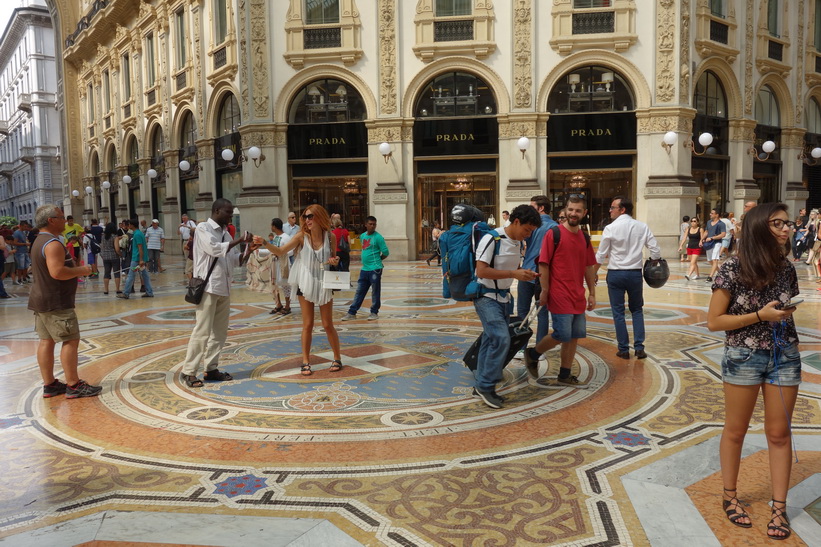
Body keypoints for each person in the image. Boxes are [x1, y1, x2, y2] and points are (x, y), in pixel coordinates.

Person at [706, 202, 801, 541]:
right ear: (760, 227)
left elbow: (785, 307)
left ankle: (779, 506)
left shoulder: (786, 268)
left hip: (784, 354)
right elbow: (715, 321)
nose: (786, 229)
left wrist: (784, 313)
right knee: (736, 430)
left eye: (787, 223)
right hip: (744, 356)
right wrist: (761, 316)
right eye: (778, 223)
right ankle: (729, 496)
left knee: (779, 434)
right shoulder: (732, 268)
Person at [255, 204, 342, 376]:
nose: (307, 220)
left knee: (327, 324)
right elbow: (280, 251)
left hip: (324, 281)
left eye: (311, 216)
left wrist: (335, 260)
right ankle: (305, 361)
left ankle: (337, 358)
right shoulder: (301, 236)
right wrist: (264, 242)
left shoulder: (330, 237)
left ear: (320, 217)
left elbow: (334, 258)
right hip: (304, 281)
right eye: (305, 217)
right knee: (307, 324)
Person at [523, 195, 598, 387]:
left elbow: (589, 266)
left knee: (574, 335)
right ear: (565, 211)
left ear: (584, 213)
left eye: (578, 210)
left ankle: (564, 374)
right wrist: (545, 290)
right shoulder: (554, 234)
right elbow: (543, 264)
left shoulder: (584, 238)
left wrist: (592, 293)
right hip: (559, 293)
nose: (573, 213)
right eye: (571, 210)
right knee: (562, 334)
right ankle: (532, 354)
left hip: (577, 295)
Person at [471, 204, 540, 408]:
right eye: (526, 230)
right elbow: (481, 271)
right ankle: (485, 386)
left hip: (504, 299)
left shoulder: (517, 243)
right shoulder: (492, 238)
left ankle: (480, 383)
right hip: (485, 296)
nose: (527, 235)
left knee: (488, 339)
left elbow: (512, 268)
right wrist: (513, 274)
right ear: (516, 221)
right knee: (501, 338)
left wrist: (524, 273)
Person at [180, 199, 255, 387]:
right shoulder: (203, 229)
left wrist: (248, 250)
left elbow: (235, 260)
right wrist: (240, 239)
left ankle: (211, 368)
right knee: (202, 331)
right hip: (207, 287)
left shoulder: (225, 234)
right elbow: (214, 249)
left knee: (220, 333)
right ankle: (189, 371)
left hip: (224, 287)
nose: (230, 216)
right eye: (228, 213)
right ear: (217, 210)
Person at [28, 205, 101, 399]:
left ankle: (50, 384)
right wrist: (83, 270)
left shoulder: (38, 241)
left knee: (47, 340)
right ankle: (74, 385)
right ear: (51, 220)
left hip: (41, 299)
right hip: (56, 301)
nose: (64, 220)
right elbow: (57, 272)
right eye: (61, 217)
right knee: (70, 340)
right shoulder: (52, 243)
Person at [595, 196, 660, 360]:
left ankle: (623, 349)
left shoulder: (610, 228)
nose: (610, 210)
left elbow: (601, 255)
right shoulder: (641, 226)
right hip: (634, 273)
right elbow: (655, 250)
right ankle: (639, 348)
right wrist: (654, 261)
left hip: (616, 273)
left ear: (622, 209)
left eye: (612, 207)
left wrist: (593, 272)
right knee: (637, 310)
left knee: (618, 312)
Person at [515, 195, 556, 368]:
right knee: (542, 312)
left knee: (522, 311)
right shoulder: (556, 227)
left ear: (541, 208)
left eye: (533, 207)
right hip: (544, 274)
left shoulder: (532, 225)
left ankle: (520, 347)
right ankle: (540, 350)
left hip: (527, 270)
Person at [342, 216, 390, 321]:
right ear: (366, 224)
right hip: (365, 269)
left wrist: (379, 259)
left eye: (374, 224)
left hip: (375, 268)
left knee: (375, 291)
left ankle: (374, 312)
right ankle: (352, 312)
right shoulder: (363, 236)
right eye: (370, 224)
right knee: (360, 290)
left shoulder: (378, 237)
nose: (372, 226)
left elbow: (386, 252)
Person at [117, 219, 154, 299]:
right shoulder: (139, 233)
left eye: (129, 224)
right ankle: (149, 292)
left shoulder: (137, 235)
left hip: (137, 259)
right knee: (145, 275)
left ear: (132, 225)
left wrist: (140, 259)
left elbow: (140, 247)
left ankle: (126, 293)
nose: (128, 226)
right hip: (140, 258)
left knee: (131, 275)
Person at [269, 217, 292, 315]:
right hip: (275, 263)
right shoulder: (275, 238)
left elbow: (291, 250)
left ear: (274, 226)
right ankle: (278, 304)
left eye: (271, 225)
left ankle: (287, 306)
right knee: (275, 285)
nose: (270, 227)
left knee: (285, 285)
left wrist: (281, 254)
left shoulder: (286, 237)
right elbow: (273, 250)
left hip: (283, 264)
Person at [703, 209, 726, 282]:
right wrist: (702, 239)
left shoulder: (721, 224)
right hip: (709, 243)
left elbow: (723, 234)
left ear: (717, 215)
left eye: (712, 213)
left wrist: (712, 237)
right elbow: (706, 231)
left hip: (717, 243)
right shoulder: (709, 222)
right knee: (710, 260)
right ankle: (721, 273)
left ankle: (710, 277)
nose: (710, 214)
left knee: (715, 259)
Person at [100, 222, 121, 295]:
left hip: (105, 257)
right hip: (114, 256)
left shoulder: (103, 236)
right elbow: (117, 248)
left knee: (106, 273)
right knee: (116, 273)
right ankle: (117, 289)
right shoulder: (115, 237)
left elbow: (102, 246)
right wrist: (120, 254)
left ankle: (106, 289)